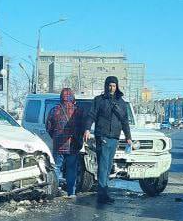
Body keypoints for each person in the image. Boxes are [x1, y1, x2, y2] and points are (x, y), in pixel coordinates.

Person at [83, 75, 132, 205]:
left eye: (114, 86)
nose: (111, 88)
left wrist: (128, 137)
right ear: (106, 86)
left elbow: (125, 121)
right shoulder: (99, 100)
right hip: (103, 136)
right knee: (103, 165)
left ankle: (104, 191)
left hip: (115, 137)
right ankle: (102, 194)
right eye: (109, 85)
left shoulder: (121, 102)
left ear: (117, 87)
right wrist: (87, 129)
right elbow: (91, 115)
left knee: (108, 165)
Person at [45, 87, 83, 196]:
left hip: (59, 144)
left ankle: (54, 191)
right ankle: (71, 192)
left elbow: (48, 127)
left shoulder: (54, 110)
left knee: (56, 167)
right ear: (72, 97)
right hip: (73, 145)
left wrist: (55, 137)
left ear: (61, 97)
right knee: (71, 169)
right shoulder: (78, 110)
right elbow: (82, 127)